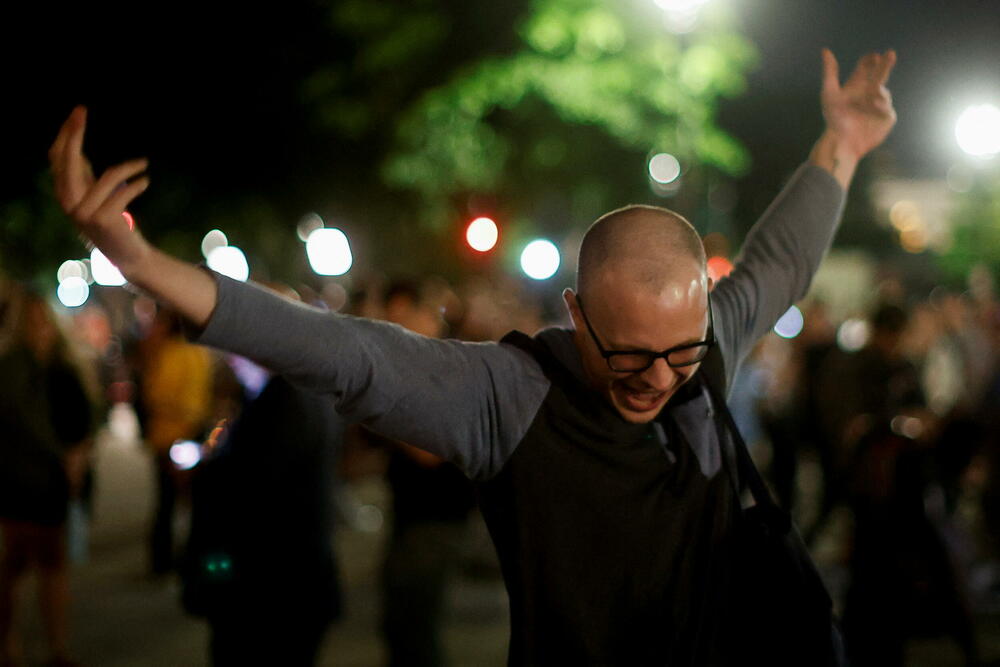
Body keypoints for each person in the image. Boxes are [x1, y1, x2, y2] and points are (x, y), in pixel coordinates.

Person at [49, 48, 896, 664]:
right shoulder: (510, 394)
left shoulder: (699, 353)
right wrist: (143, 265)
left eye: (682, 352)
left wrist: (844, 148)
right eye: (630, 356)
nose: (662, 379)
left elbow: (778, 263)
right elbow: (342, 352)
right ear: (575, 315)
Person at [0, 286, 97, 667]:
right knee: (15, 567)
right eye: (32, 320)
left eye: (44, 320)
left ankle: (58, 648)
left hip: (54, 485)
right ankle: (10, 644)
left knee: (53, 569)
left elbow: (83, 422)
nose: (39, 328)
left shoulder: (66, 369)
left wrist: (78, 460)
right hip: (18, 483)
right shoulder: (12, 371)